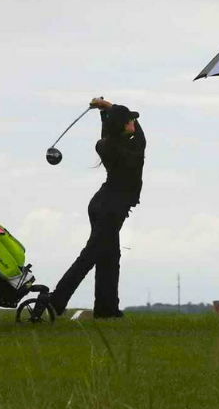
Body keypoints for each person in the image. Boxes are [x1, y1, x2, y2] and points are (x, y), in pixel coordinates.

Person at [44, 97, 145, 319]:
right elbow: (139, 135)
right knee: (90, 256)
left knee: (109, 256)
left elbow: (107, 133)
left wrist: (105, 110)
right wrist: (108, 107)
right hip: (111, 209)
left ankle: (106, 308)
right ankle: (55, 302)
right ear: (123, 125)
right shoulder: (133, 146)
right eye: (131, 120)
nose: (134, 123)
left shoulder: (105, 145)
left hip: (101, 204)